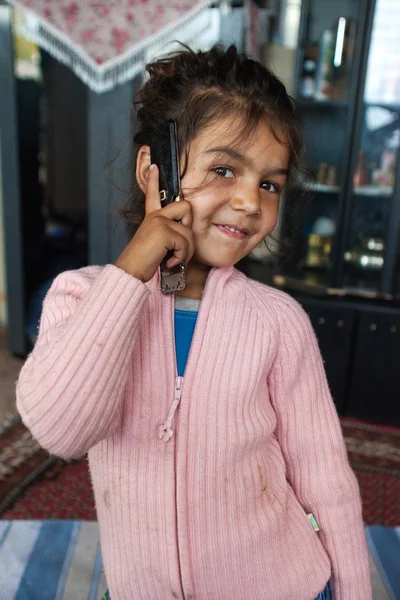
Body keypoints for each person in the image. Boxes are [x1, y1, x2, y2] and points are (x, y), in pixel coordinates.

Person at [16, 45, 372, 600]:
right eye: (224, 169)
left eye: (269, 183)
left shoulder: (278, 323)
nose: (250, 201)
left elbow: (327, 482)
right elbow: (62, 429)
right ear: (151, 169)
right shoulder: (82, 296)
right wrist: (132, 271)